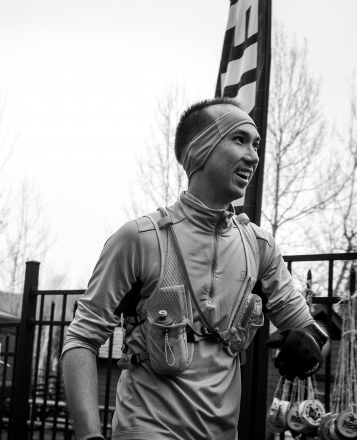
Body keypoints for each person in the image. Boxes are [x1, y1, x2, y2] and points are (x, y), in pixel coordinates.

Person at [61, 98, 329, 440]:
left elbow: (313, 335)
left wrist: (309, 344)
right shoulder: (140, 239)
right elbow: (81, 339)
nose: (253, 155)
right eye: (239, 140)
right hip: (146, 430)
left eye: (256, 144)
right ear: (199, 149)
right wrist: (89, 437)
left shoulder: (260, 246)